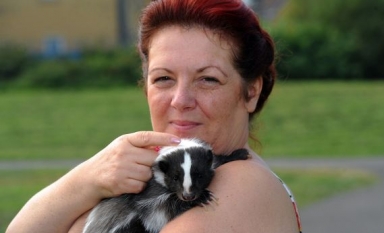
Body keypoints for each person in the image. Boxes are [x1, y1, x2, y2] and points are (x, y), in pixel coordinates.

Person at [7, 0, 302, 232]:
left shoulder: (241, 186)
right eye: (163, 79)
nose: (181, 100)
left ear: (250, 92)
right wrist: (88, 178)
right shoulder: (153, 178)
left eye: (208, 79)